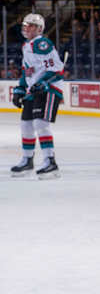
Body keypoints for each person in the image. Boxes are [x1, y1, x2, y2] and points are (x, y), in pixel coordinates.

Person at [10, 13, 64, 179]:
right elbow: (27, 71)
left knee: (40, 123)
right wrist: (20, 88)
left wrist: (44, 83)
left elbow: (57, 69)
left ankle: (50, 162)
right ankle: (27, 160)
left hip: (49, 89)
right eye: (26, 25)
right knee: (26, 124)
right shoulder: (27, 46)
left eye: (31, 25)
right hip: (33, 90)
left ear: (39, 29)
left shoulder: (42, 43)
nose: (27, 28)